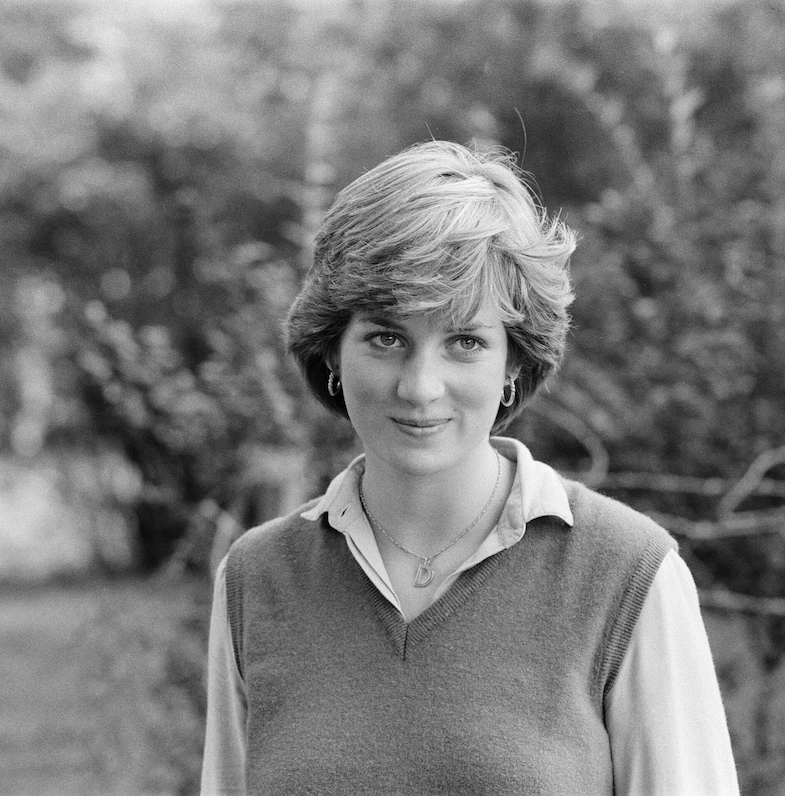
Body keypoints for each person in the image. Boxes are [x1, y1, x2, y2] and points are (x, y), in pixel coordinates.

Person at [201, 140, 740, 795]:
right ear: (332, 353)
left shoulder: (628, 576)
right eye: (387, 338)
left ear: (513, 364)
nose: (421, 386)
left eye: (464, 342)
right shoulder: (255, 582)